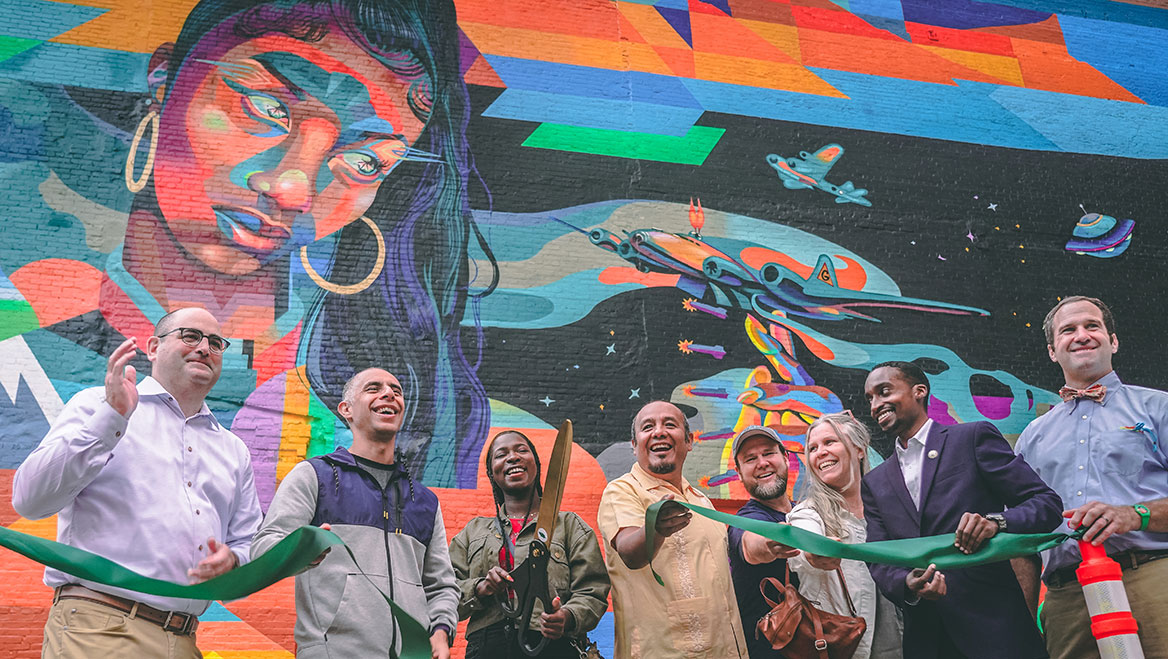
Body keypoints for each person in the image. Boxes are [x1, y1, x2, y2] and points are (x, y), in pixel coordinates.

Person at [12, 307, 263, 659]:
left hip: (186, 640)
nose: (205, 348)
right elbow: (29, 500)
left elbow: (248, 539)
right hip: (99, 629)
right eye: (190, 336)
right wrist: (110, 420)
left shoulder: (233, 450)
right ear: (153, 347)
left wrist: (233, 561)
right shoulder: (97, 406)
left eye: (216, 343)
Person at [251, 367, 458, 659]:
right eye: (373, 388)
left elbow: (441, 586)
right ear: (346, 410)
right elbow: (263, 548)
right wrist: (299, 550)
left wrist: (440, 633)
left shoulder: (424, 500)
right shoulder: (314, 476)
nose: (389, 394)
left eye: (396, 391)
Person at [860, 361, 1062, 659]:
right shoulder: (874, 482)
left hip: (997, 631)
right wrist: (908, 584)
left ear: (919, 391)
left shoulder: (972, 438)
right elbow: (878, 557)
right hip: (927, 641)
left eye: (884, 391)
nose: (876, 404)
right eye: (870, 398)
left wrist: (997, 522)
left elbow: (1046, 504)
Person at [1015, 296, 1168, 658]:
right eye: (1068, 330)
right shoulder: (1031, 438)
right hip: (1067, 599)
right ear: (1053, 351)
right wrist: (1019, 622)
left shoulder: (1159, 408)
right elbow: (1021, 537)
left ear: (1112, 341)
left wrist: (1136, 514)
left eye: (1092, 326)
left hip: (1152, 579)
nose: (1081, 335)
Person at [598, 400, 747, 659]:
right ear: (634, 446)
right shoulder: (622, 491)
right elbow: (631, 553)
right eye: (647, 427)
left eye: (670, 424)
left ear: (688, 441)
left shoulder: (701, 500)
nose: (659, 432)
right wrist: (654, 529)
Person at [449, 430, 610, 658]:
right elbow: (445, 593)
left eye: (521, 450)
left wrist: (567, 616)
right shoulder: (472, 532)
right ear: (491, 473)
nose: (513, 457)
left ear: (536, 464)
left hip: (554, 646)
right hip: (487, 648)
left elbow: (593, 590)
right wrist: (481, 587)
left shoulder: (570, 526)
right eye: (501, 454)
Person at [786, 412, 903, 659]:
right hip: (845, 650)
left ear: (859, 449)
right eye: (813, 448)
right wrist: (815, 551)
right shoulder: (807, 513)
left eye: (830, 442)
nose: (820, 452)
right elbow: (804, 544)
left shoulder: (891, 510)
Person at [725, 425, 800, 658]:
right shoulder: (745, 521)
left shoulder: (805, 514)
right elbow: (751, 543)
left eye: (768, 453)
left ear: (785, 458)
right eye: (750, 458)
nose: (762, 462)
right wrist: (771, 542)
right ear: (739, 473)